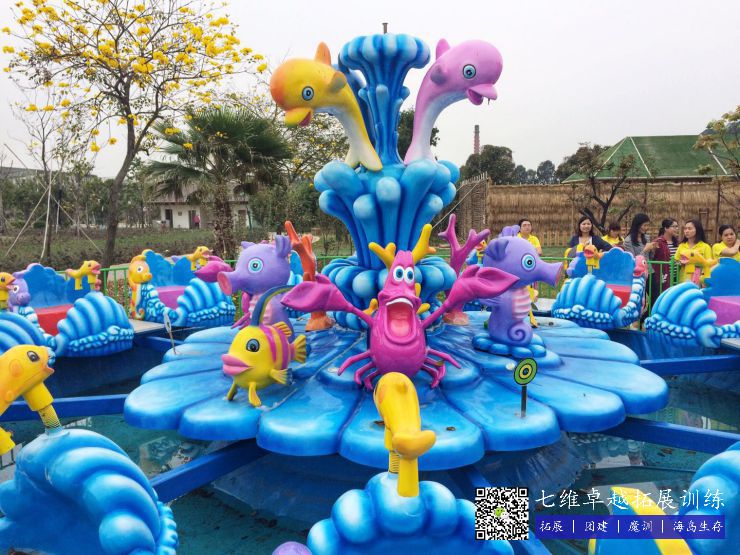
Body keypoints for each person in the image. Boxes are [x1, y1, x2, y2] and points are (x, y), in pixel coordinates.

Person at [623, 213, 658, 314]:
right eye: (644, 225)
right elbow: (633, 259)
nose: (646, 228)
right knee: (641, 299)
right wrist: (645, 249)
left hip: (649, 271)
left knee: (655, 296)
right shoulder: (628, 240)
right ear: (637, 225)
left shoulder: (646, 237)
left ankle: (646, 317)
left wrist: (653, 249)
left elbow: (650, 257)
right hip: (638, 274)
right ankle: (638, 318)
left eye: (647, 225)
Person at [675, 219, 713, 284]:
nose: (686, 231)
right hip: (683, 280)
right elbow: (676, 261)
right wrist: (682, 263)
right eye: (685, 229)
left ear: (698, 230)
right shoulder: (681, 246)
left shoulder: (705, 246)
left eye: (690, 229)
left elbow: (709, 264)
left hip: (699, 281)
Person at [654, 218, 679, 296]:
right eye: (674, 226)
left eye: (677, 226)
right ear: (666, 228)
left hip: (676, 275)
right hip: (664, 276)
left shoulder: (677, 242)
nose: (676, 229)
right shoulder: (658, 242)